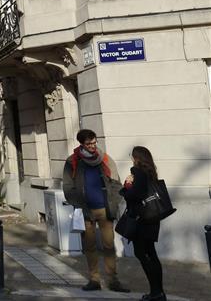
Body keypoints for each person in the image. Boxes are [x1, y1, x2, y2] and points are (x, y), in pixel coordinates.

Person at [62, 129, 129, 293]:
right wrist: (78, 204)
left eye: (94, 142)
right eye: (89, 143)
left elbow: (116, 182)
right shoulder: (72, 161)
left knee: (109, 245)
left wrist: (115, 201)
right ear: (81, 144)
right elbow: (68, 187)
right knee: (90, 247)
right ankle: (94, 280)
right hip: (86, 211)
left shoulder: (104, 158)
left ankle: (113, 280)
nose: (93, 146)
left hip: (105, 209)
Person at [121, 146, 165, 301]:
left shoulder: (137, 172)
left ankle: (155, 292)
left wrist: (127, 186)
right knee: (151, 254)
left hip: (141, 220)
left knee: (142, 254)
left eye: (132, 156)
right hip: (152, 217)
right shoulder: (151, 171)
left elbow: (135, 195)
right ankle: (159, 292)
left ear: (136, 158)